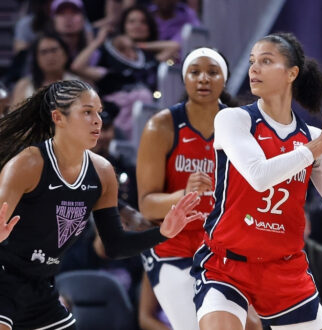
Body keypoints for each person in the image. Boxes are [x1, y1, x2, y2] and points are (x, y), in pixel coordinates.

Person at [190, 31, 322, 330]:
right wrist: (320, 145)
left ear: (291, 73)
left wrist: (319, 145)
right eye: (252, 61)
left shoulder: (311, 138)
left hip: (285, 268)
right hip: (227, 264)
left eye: (266, 61)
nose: (253, 69)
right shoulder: (233, 119)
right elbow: (259, 177)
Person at [0, 79, 202, 330]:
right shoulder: (28, 164)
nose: (97, 120)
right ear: (58, 118)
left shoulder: (103, 172)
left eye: (98, 112)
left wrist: (162, 233)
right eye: (87, 112)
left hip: (40, 288)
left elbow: (115, 245)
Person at [137, 46, 238, 330]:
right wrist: (184, 195)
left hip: (220, 246)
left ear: (224, 79)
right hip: (173, 247)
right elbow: (146, 204)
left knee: (251, 324)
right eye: (195, 72)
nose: (203, 79)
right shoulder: (161, 126)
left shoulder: (241, 125)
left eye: (212, 72)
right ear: (185, 79)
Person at [10, 32, 79, 108]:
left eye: (54, 50)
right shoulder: (24, 85)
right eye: (44, 52)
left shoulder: (77, 84)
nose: (50, 56)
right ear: (36, 59)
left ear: (65, 54)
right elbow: (14, 117)